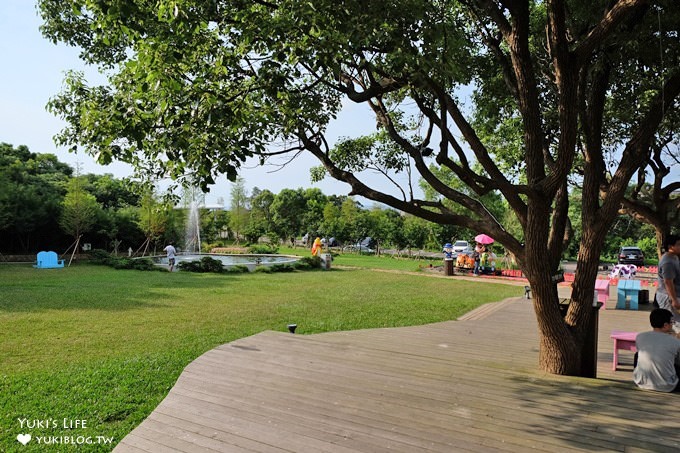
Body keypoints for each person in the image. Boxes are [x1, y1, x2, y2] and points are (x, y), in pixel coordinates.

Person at [633, 308, 680, 392]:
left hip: (641, 382)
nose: (673, 325)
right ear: (665, 325)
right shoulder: (675, 341)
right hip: (667, 385)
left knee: (637, 355)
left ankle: (641, 376)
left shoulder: (640, 337)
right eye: (672, 322)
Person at [656, 234, 680, 323]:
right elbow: (668, 282)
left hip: (674, 295)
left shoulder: (674, 257)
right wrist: (674, 300)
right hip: (668, 298)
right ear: (670, 247)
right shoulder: (668, 262)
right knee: (674, 324)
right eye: (678, 244)